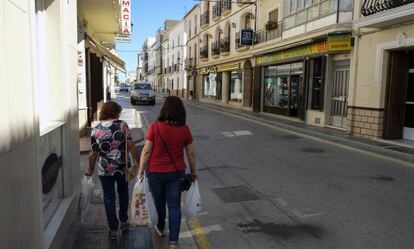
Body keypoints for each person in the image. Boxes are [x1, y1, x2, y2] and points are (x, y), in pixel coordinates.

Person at [138, 96, 197, 249]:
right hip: (177, 173)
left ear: (164, 109)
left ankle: (160, 227)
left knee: (159, 203)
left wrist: (140, 171)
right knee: (174, 206)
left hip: (155, 173)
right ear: (180, 111)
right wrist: (193, 172)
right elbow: (191, 154)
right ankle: (173, 242)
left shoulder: (155, 127)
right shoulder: (185, 129)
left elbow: (146, 151)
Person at [85, 101, 140, 240]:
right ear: (115, 112)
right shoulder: (122, 125)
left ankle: (113, 228)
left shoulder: (95, 129)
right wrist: (139, 162)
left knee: (108, 197)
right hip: (122, 168)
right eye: (119, 112)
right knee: (123, 193)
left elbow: (93, 153)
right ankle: (124, 221)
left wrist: (90, 169)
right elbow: (131, 144)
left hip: (104, 170)